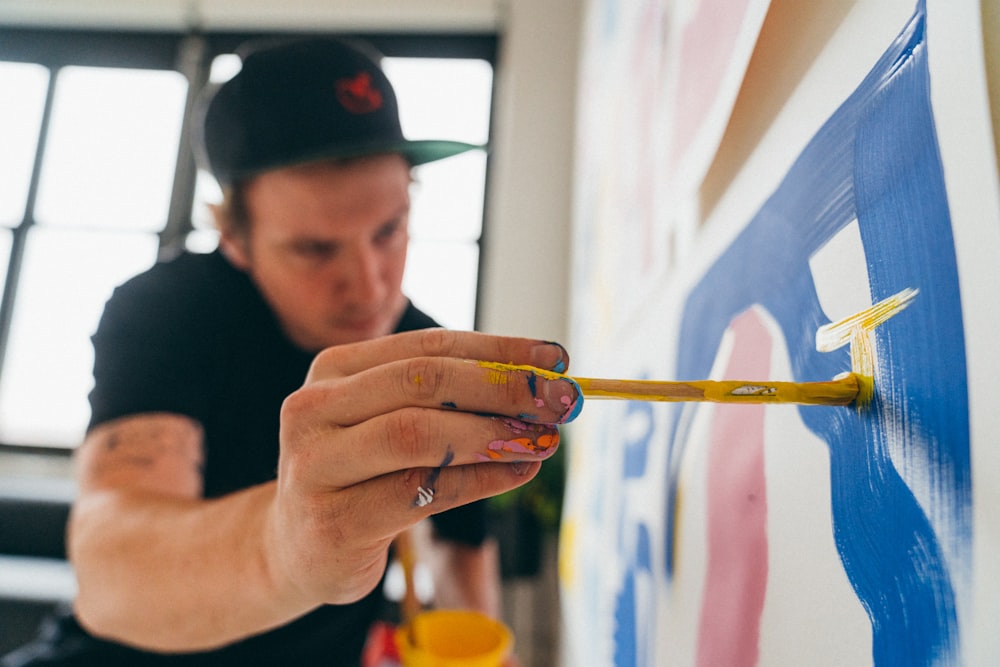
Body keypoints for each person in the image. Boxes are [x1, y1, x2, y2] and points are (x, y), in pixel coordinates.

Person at [1, 37, 580, 666]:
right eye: (314, 250)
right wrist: (289, 543)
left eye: (389, 231)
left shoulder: (420, 347)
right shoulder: (168, 310)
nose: (369, 287)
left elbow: (461, 548)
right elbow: (114, 571)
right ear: (234, 238)